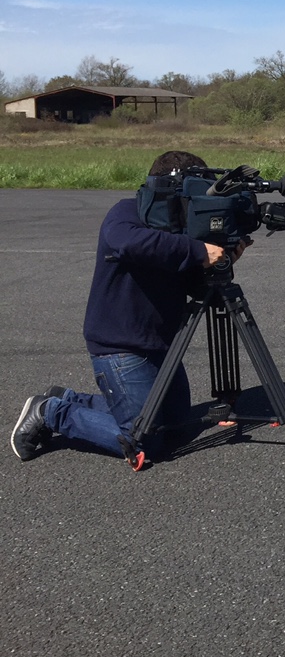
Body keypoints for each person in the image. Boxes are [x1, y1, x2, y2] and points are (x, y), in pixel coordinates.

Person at [10, 151, 248, 465]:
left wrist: (223, 259)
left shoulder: (184, 229)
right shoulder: (127, 212)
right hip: (119, 345)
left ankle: (67, 398)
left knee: (177, 424)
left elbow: (191, 285)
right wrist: (197, 249)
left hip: (160, 345)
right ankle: (51, 412)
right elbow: (127, 242)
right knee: (147, 441)